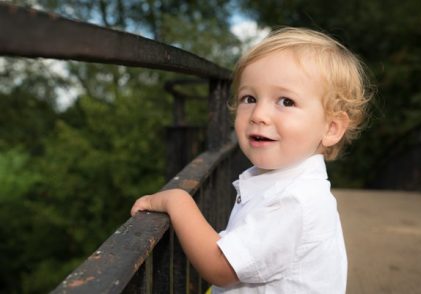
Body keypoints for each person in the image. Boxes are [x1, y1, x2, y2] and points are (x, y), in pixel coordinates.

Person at [131, 27, 371, 293]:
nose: (259, 114)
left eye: (286, 101)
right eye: (249, 98)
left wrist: (178, 201)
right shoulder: (287, 185)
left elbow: (219, 267)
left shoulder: (294, 201)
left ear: (331, 128)